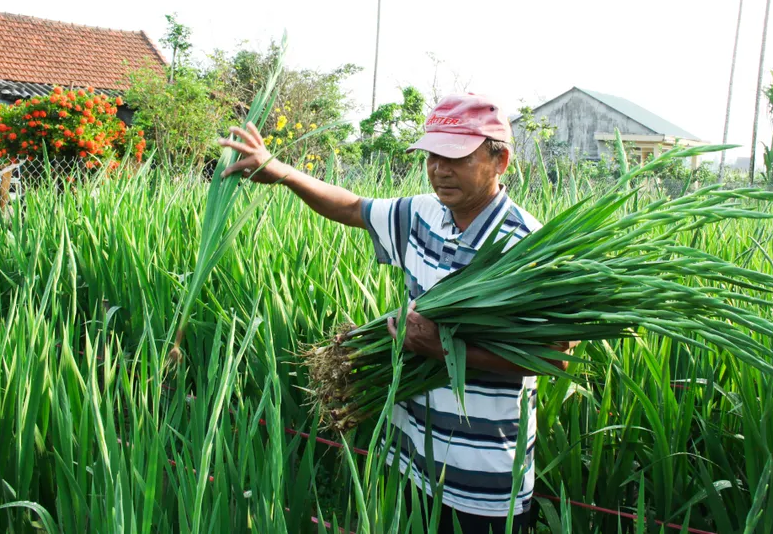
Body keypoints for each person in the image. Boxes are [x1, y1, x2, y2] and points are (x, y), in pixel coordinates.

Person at [219, 94, 566, 533]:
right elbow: (352, 207)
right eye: (432, 156)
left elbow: (554, 357)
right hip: (409, 457)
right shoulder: (423, 214)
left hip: (482, 479)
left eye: (456, 157)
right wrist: (282, 173)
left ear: (501, 161)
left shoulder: (527, 246)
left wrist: (443, 349)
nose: (440, 169)